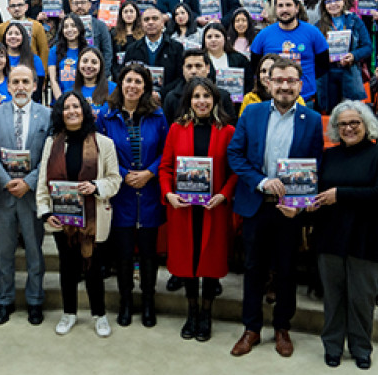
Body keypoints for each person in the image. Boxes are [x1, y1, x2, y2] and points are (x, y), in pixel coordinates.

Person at [227, 58, 324, 358]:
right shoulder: (251, 113)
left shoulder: (312, 119)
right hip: (257, 204)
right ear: (267, 82)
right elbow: (236, 154)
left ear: (300, 84)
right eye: (278, 79)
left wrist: (301, 204)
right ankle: (251, 328)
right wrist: (261, 182)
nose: (284, 85)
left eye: (291, 80)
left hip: (290, 211)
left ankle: (282, 327)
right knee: (253, 268)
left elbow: (316, 167)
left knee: (286, 270)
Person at [313, 101, 378, 370]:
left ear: (366, 125)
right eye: (343, 124)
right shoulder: (330, 155)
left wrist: (340, 194)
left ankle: (361, 348)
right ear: (336, 128)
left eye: (354, 123)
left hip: (367, 238)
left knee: (362, 298)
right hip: (331, 235)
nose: (349, 128)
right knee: (333, 297)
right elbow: (319, 192)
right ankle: (332, 346)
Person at [36, 92, 121, 337]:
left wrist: (96, 186)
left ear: (84, 110)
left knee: (94, 268)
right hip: (62, 220)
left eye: (76, 106)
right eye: (66, 107)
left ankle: (100, 315)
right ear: (60, 113)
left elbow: (115, 180)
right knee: (67, 267)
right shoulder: (52, 143)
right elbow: (43, 182)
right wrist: (45, 212)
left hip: (94, 219)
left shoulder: (104, 143)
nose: (71, 111)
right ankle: (69, 312)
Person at [159, 77, 237, 342]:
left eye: (206, 96)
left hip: (213, 208)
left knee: (210, 264)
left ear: (215, 99)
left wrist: (224, 195)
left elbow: (234, 172)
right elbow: (166, 168)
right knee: (188, 263)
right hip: (183, 208)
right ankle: (191, 313)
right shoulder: (176, 129)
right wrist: (168, 194)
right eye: (196, 96)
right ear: (188, 101)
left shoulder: (227, 131)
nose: (201, 101)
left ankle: (206, 314)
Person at [97, 64, 169, 328]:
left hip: (149, 193)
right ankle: (126, 303)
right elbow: (101, 151)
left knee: (149, 255)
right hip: (121, 194)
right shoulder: (106, 116)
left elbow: (166, 150)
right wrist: (124, 172)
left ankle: (149, 303)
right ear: (120, 83)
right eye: (128, 80)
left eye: (139, 81)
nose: (133, 86)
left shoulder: (158, 115)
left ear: (146, 86)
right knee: (124, 254)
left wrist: (150, 172)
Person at [0, 65, 51, 326]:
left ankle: (35, 301)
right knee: (4, 253)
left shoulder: (47, 115)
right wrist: (6, 180)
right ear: (8, 86)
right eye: (15, 82)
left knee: (35, 252)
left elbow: (50, 155)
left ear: (35, 85)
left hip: (32, 195)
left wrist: (29, 182)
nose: (20, 86)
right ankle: (5, 300)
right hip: (3, 195)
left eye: (26, 81)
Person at [249, 0, 330, 105]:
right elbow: (255, 66)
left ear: (297, 8)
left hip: (305, 98)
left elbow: (323, 64)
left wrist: (306, 77)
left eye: (288, 5)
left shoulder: (313, 32)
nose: (284, 10)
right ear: (275, 9)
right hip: (272, 99)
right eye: (280, 6)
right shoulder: (263, 35)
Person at [315, 0, 371, 112]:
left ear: (343, 1)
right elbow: (313, 52)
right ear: (324, 6)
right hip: (327, 75)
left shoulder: (354, 21)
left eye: (336, 0)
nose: (333, 4)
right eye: (328, 2)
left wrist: (353, 55)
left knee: (353, 111)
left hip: (350, 72)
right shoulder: (318, 25)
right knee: (331, 113)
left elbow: (368, 47)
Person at [122, 7, 184, 100]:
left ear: (163, 23)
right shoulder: (132, 49)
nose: (150, 22)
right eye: (146, 20)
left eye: (155, 19)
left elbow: (180, 78)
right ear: (142, 24)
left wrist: (160, 94)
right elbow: (125, 76)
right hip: (138, 99)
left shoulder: (176, 48)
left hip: (168, 100)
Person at [163, 49, 235, 124]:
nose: (193, 71)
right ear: (183, 69)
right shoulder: (171, 98)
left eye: (198, 66)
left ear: (208, 68)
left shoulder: (223, 96)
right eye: (189, 67)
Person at [202, 22, 253, 105]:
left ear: (225, 38)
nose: (213, 40)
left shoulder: (240, 59)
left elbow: (249, 83)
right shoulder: (199, 60)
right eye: (209, 37)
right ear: (204, 40)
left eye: (217, 36)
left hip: (236, 105)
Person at [0, 0, 50, 68]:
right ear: (8, 9)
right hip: (8, 69)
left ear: (26, 7)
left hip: (32, 68)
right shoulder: (2, 27)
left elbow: (44, 51)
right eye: (13, 6)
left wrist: (44, 74)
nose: (16, 8)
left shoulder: (37, 25)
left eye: (20, 5)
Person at [239, 53, 304, 117]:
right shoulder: (248, 98)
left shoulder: (297, 99)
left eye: (271, 71)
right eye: (263, 71)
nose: (267, 75)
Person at [70, 0, 114, 75]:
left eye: (83, 3)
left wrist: (103, 75)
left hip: (95, 72)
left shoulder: (100, 26)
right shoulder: (65, 26)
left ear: (89, 5)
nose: (79, 6)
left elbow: (107, 52)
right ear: (71, 6)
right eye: (76, 3)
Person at [48, 13, 88, 100]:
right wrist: (61, 101)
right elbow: (53, 79)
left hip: (84, 99)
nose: (69, 29)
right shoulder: (54, 51)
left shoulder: (88, 50)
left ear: (80, 28)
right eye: (66, 27)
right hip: (60, 98)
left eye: (73, 26)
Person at [2, 21, 46, 100]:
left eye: (17, 34)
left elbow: (37, 91)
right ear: (5, 37)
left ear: (24, 37)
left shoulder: (35, 60)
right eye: (10, 34)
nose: (13, 37)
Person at [73, 47, 116, 117]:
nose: (89, 66)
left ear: (100, 66)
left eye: (94, 62)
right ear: (78, 64)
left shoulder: (113, 89)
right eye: (85, 61)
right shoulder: (70, 91)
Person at [110, 0, 145, 76]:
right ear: (121, 14)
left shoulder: (144, 33)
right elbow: (112, 56)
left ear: (136, 14)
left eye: (131, 11)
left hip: (140, 71)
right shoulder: (113, 33)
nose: (129, 14)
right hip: (119, 72)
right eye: (125, 12)